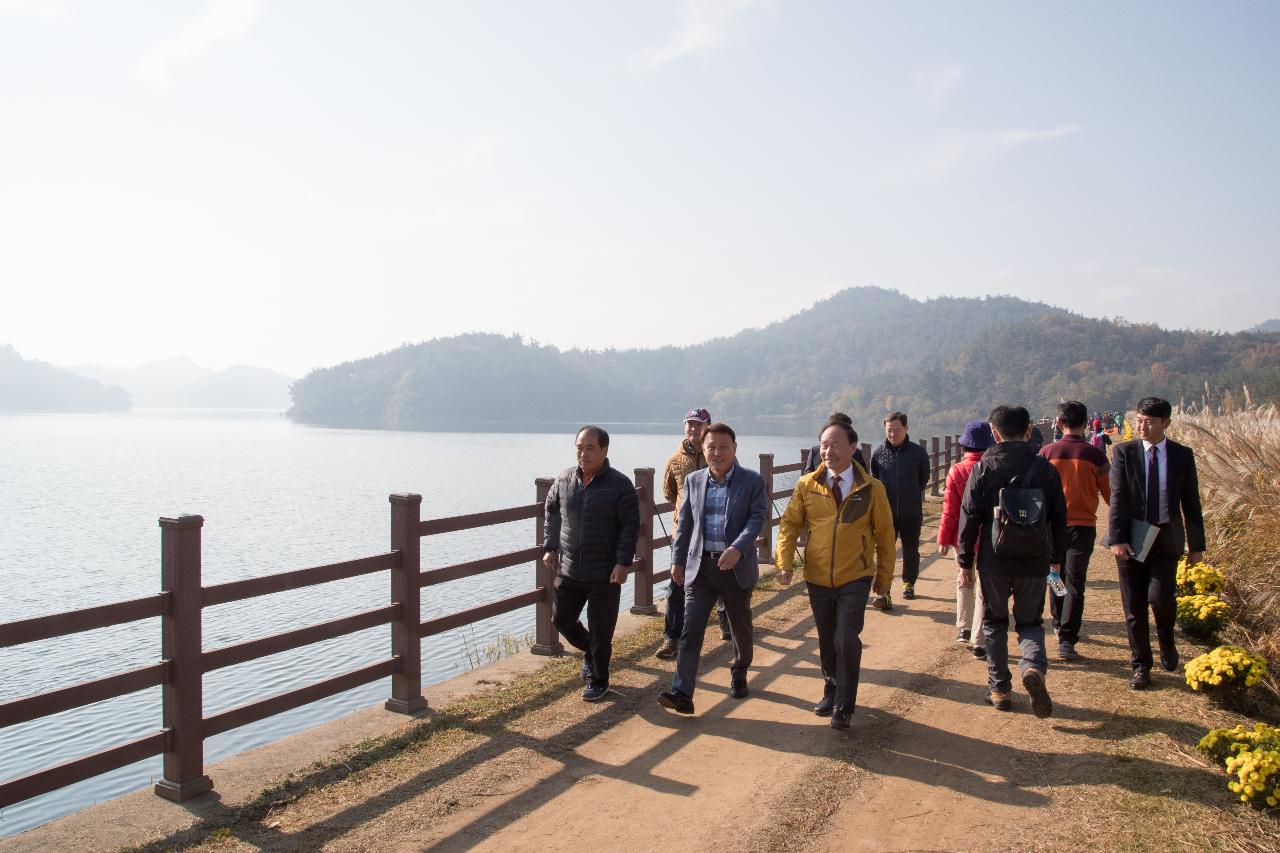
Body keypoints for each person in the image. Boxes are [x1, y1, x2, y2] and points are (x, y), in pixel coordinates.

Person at [776, 418, 895, 729]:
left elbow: (884, 535)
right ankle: (830, 688)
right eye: (824, 445)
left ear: (853, 448)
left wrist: (883, 579)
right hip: (817, 577)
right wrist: (784, 563)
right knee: (827, 639)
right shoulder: (807, 485)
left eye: (836, 445)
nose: (828, 451)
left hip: (855, 576)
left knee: (846, 638)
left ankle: (844, 705)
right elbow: (789, 525)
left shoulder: (872, 488)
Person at [957, 405, 1067, 717]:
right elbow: (1060, 518)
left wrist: (965, 562)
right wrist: (1057, 559)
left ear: (994, 432)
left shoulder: (982, 468)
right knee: (1030, 622)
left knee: (994, 622)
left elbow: (969, 519)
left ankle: (1000, 688)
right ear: (1029, 430)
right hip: (1035, 560)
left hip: (995, 561)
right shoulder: (1045, 469)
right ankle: (1032, 667)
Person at [658, 423, 768, 716]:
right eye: (711, 447)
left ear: (734, 448)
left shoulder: (751, 481)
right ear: (703, 450)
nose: (717, 453)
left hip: (735, 567)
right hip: (701, 568)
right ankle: (682, 692)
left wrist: (738, 548)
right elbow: (685, 525)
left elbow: (757, 518)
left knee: (740, 627)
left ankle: (740, 669)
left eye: (723, 447)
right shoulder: (694, 481)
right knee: (690, 630)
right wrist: (677, 560)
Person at [1107, 397, 1205, 690]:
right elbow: (1118, 498)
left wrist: (1197, 546)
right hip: (1132, 539)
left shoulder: (1181, 455)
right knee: (1133, 607)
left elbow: (1191, 503)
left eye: (1149, 421)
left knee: (1161, 598)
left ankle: (1166, 639)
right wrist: (1118, 538)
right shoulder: (1124, 452)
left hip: (1166, 537)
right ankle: (1141, 666)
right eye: (1138, 420)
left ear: (1166, 423)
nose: (1142, 426)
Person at [542, 426, 640, 702]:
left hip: (605, 572)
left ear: (604, 450)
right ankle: (591, 652)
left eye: (590, 448)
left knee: (601, 628)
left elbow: (630, 526)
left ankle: (599, 678)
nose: (583, 454)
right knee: (561, 619)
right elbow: (550, 512)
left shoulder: (619, 485)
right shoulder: (564, 479)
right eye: (579, 448)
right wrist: (550, 546)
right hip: (569, 568)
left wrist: (623, 563)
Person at [1039, 400, 1111, 661]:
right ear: (1086, 424)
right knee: (1076, 582)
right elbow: (1110, 495)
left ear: (1059, 423)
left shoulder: (1046, 453)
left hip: (1050, 527)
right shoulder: (1096, 456)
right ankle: (1068, 639)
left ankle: (1058, 623)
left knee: (1054, 575)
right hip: (1082, 527)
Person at [656, 408, 730, 658]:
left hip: (716, 530)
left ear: (708, 428)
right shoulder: (674, 460)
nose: (693, 429)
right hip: (685, 534)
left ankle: (725, 619)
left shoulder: (720, 455)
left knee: (722, 578)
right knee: (676, 585)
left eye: (698, 425)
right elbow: (669, 493)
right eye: (689, 424)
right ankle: (671, 637)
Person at [937, 419, 995, 658]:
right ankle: (979, 640)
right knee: (984, 588)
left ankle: (964, 627)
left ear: (964, 447)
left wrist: (943, 538)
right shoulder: (993, 468)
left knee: (964, 580)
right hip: (990, 537)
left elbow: (950, 510)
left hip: (962, 538)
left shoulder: (956, 470)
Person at [869, 411, 930, 606]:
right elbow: (875, 480)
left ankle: (908, 583)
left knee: (911, 549)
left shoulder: (918, 453)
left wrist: (911, 495)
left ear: (906, 429)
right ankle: (884, 590)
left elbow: (923, 479)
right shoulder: (878, 453)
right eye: (889, 430)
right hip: (885, 513)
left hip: (911, 511)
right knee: (885, 550)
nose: (893, 434)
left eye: (897, 430)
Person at [801, 412, 866, 474]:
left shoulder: (856, 453)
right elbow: (808, 472)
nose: (829, 453)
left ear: (853, 448)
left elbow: (864, 475)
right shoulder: (815, 451)